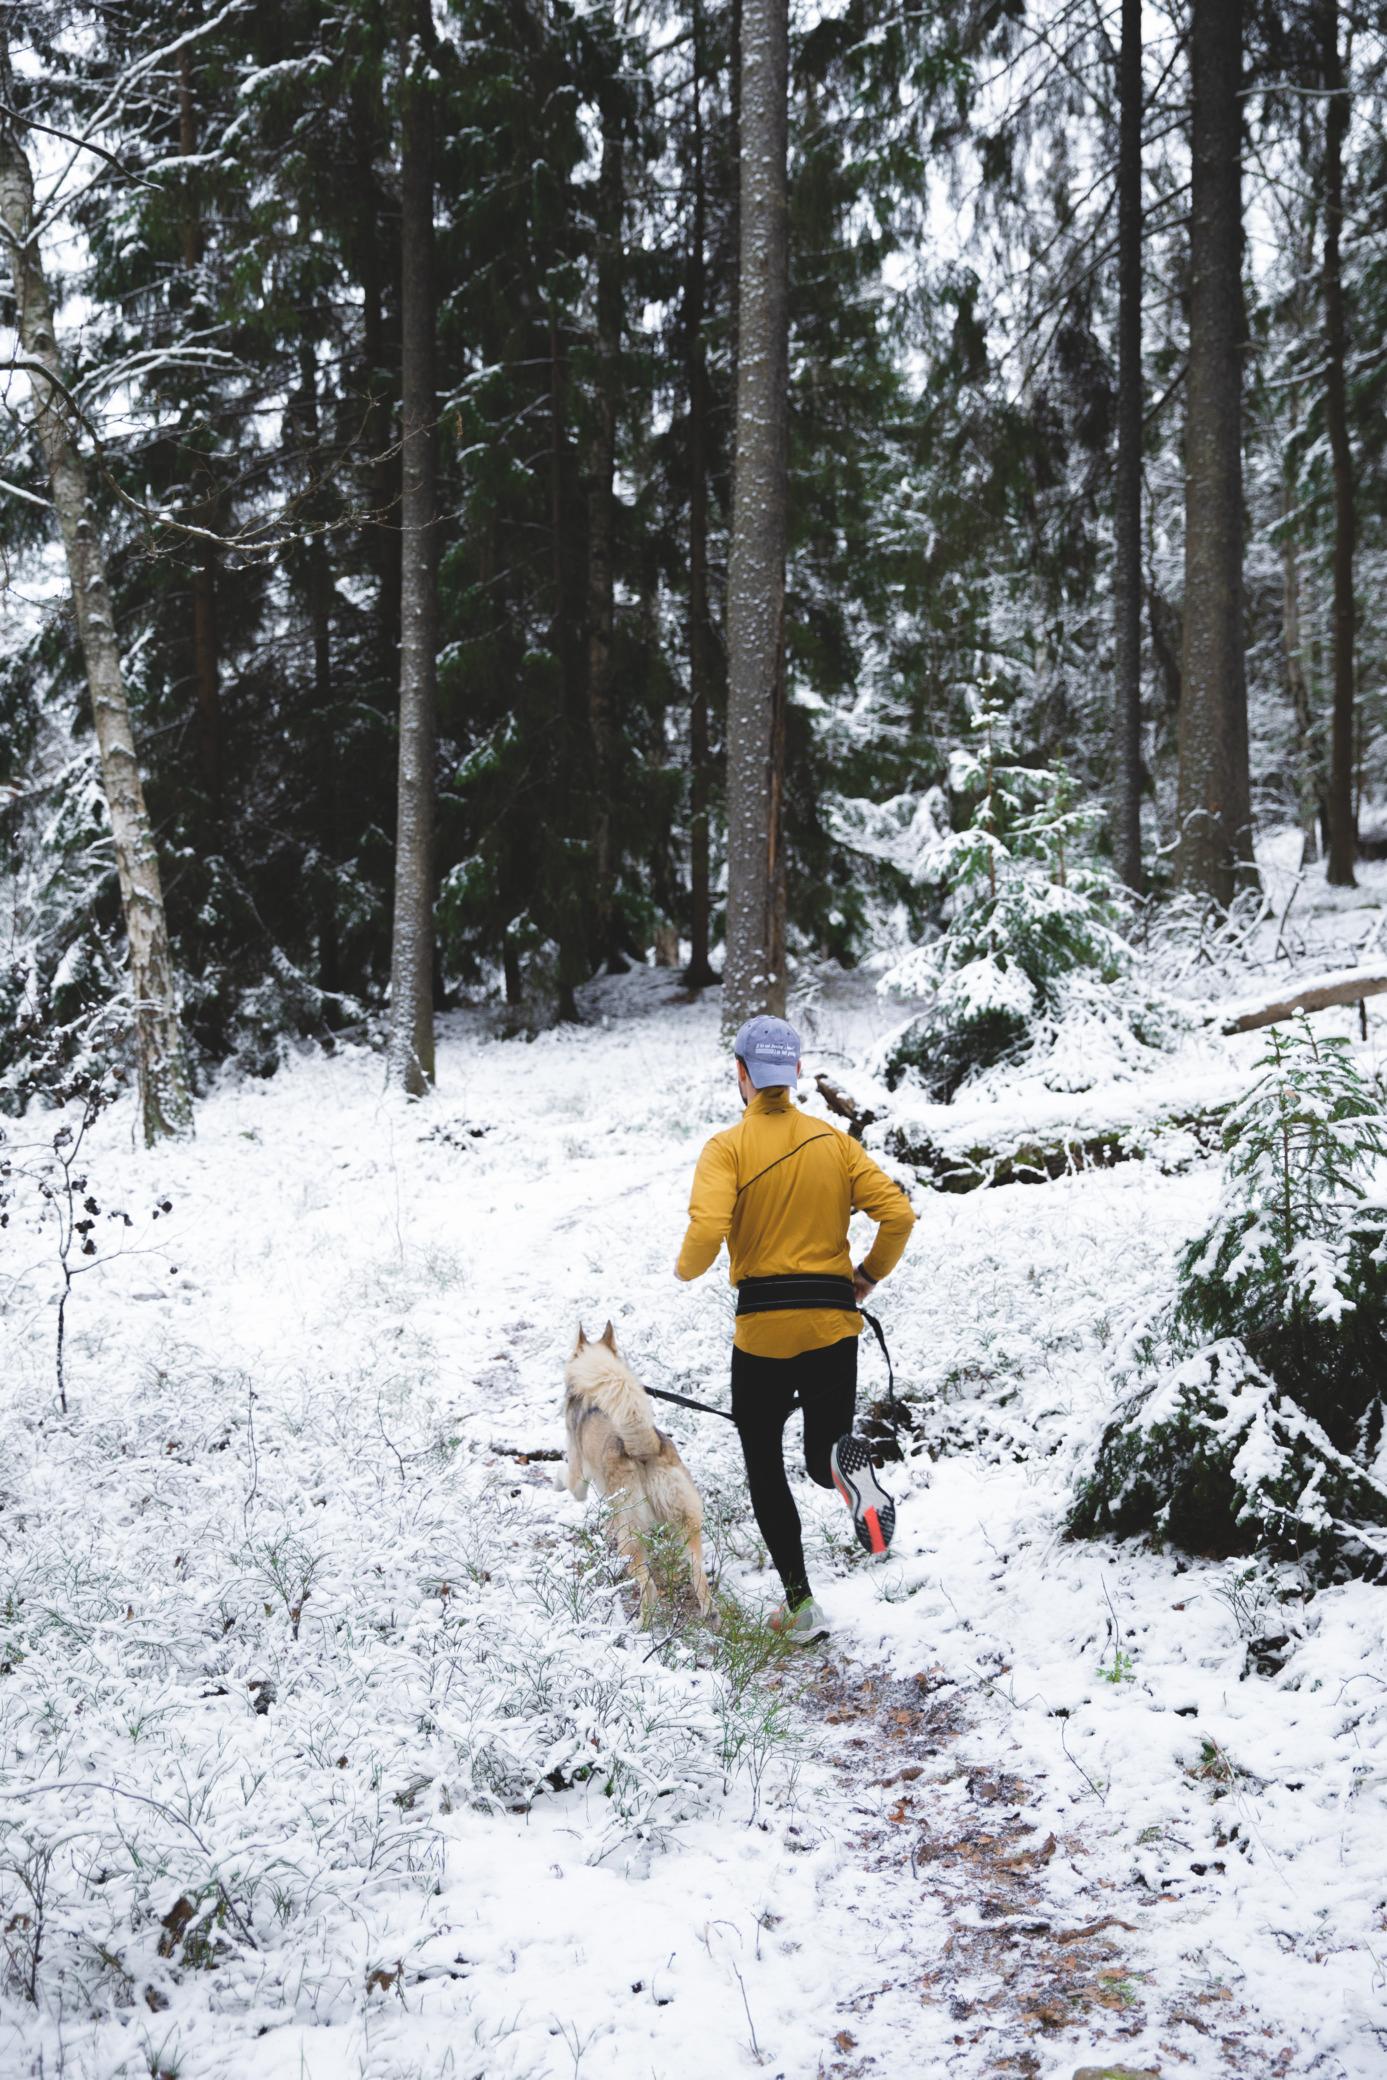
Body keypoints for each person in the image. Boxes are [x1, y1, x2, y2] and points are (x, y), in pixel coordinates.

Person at [674, 1014, 916, 1639]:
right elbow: (898, 1216)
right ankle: (844, 1468)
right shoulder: (834, 1142)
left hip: (762, 1335)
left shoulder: (725, 1148)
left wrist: (685, 1269)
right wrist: (865, 1275)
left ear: (743, 1075)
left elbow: (704, 1235)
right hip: (834, 1324)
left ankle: (801, 1605)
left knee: (764, 1465)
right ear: (798, 1072)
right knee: (820, 1456)